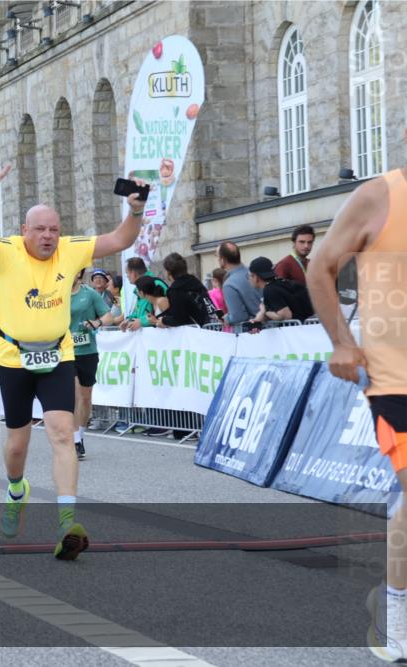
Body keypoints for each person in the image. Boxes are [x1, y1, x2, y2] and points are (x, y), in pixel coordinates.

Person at [0, 160, 148, 560]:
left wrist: (134, 209)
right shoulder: (5, 252)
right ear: (24, 230)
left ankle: (67, 523)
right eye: (40, 229)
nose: (48, 236)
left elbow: (121, 239)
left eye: (54, 230)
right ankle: (16, 490)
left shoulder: (71, 250)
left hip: (58, 354)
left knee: (62, 431)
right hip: (13, 357)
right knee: (17, 445)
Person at [305, 159, 407, 662]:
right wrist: (341, 342)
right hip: (397, 379)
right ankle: (395, 610)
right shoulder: (379, 197)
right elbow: (319, 266)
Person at [69, 269, 113, 460]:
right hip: (65, 352)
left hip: (87, 350)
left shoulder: (89, 293)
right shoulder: (55, 294)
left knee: (86, 398)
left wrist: (96, 323)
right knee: (76, 394)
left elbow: (108, 316)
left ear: (78, 274)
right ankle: (74, 440)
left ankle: (80, 435)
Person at [248, 256, 314, 323]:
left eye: (250, 275)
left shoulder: (269, 290)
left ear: (256, 277)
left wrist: (266, 311)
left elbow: (285, 316)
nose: (249, 278)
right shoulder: (281, 283)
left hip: (301, 329)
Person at [157, 252, 215, 327]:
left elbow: (178, 319)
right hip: (210, 325)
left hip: (197, 331)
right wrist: (158, 318)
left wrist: (163, 320)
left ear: (169, 272)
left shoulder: (175, 290)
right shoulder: (194, 281)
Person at [217, 241, 261, 328]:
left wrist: (226, 319)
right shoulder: (254, 272)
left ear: (223, 260)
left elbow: (238, 317)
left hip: (251, 334)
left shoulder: (229, 284)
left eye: (217, 256)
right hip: (274, 329)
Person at [119, 257, 168, 331]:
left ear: (133, 273)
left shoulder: (155, 284)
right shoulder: (139, 288)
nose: (127, 276)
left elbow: (167, 313)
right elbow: (139, 311)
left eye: (127, 273)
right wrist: (129, 320)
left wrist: (142, 321)